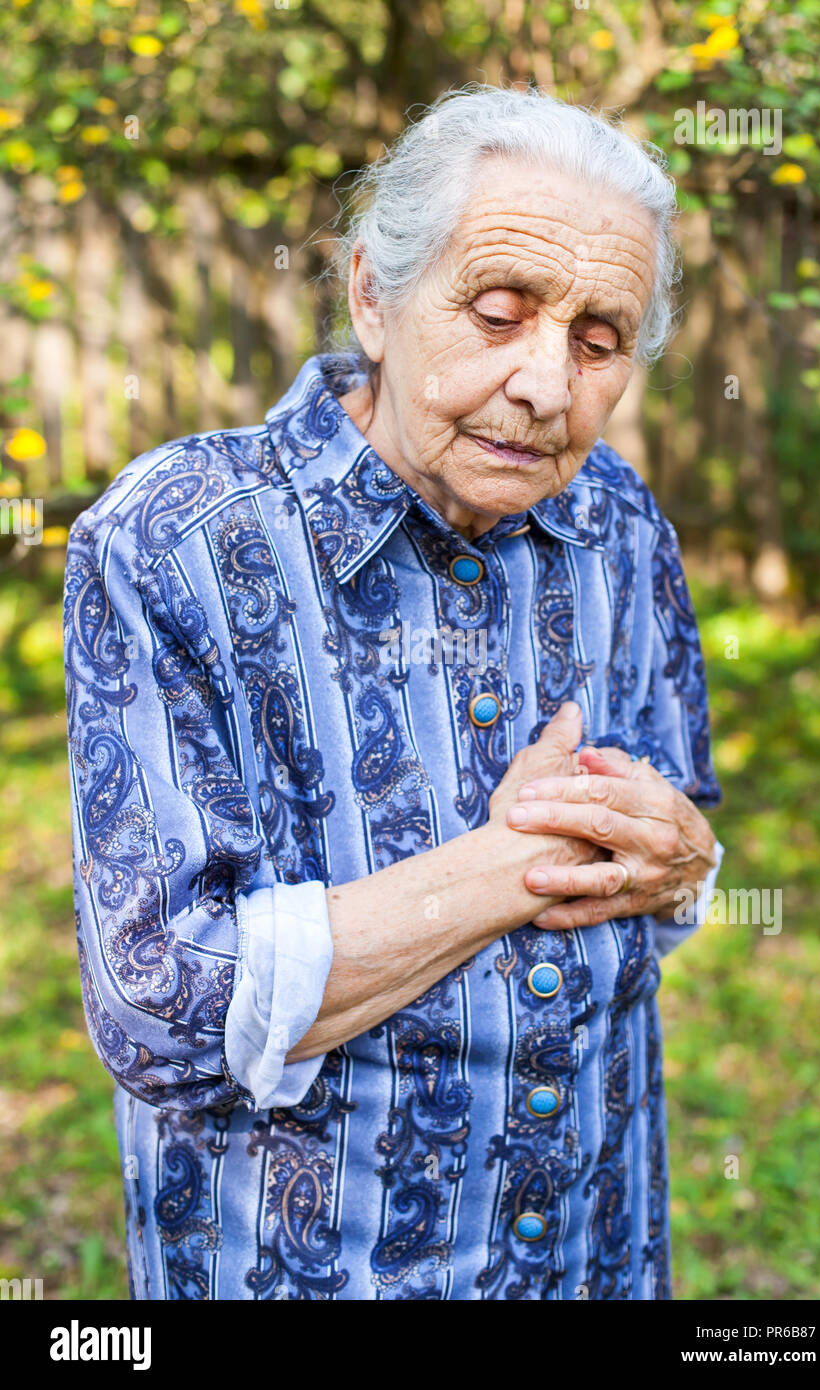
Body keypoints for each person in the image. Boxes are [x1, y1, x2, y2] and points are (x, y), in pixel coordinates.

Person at [63, 83, 723, 1300]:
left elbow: (675, 838)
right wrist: (510, 862)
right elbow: (160, 1008)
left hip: (594, 1253)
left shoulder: (619, 520)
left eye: (595, 340)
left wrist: (681, 863)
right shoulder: (178, 542)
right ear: (374, 293)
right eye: (497, 312)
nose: (542, 384)